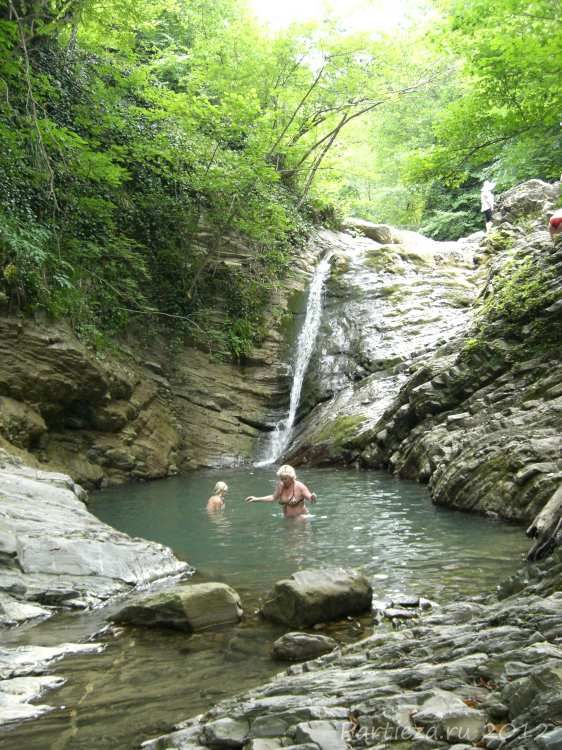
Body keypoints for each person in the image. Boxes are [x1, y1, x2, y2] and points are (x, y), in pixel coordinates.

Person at [245, 464, 316, 519]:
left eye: (285, 479)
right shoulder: (281, 485)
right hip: (287, 519)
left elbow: (311, 499)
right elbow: (273, 497)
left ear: (292, 477)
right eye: (281, 479)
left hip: (301, 518)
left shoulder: (300, 486)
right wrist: (256, 499)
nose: (283, 481)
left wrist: (313, 497)